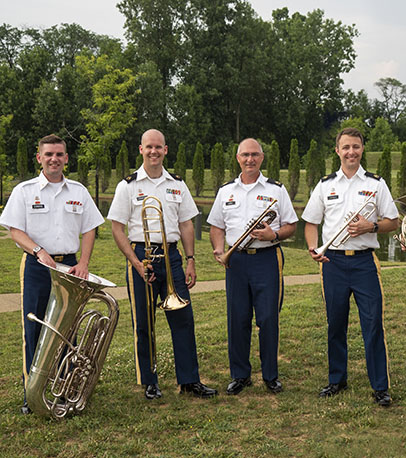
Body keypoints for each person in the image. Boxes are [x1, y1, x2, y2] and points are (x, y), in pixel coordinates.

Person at [107, 129, 217, 400]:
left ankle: (189, 380)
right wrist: (134, 262)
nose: (154, 151)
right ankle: (149, 381)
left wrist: (191, 260)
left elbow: (186, 223)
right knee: (144, 324)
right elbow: (117, 228)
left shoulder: (177, 184)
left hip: (172, 257)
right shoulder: (128, 185)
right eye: (149, 147)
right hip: (141, 256)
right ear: (141, 149)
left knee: (183, 320)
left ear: (166, 150)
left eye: (158, 147)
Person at [0, 134, 104, 414]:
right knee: (34, 328)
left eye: (59, 154)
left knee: (67, 330)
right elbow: (14, 231)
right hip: (36, 266)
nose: (54, 159)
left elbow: (91, 228)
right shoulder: (24, 190)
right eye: (49, 154)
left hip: (70, 266)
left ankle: (62, 388)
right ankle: (31, 392)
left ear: (66, 158)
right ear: (39, 158)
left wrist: (83, 262)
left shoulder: (79, 191)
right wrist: (38, 251)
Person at [302, 127, 398, 406]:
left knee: (372, 324)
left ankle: (380, 386)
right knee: (336, 324)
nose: (351, 152)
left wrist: (372, 226)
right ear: (337, 151)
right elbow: (311, 222)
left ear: (362, 149)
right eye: (346, 147)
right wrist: (312, 247)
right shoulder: (325, 185)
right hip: (333, 262)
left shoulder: (377, 184)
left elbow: (393, 221)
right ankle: (337, 380)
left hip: (365, 262)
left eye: (356, 147)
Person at [208, 138, 298, 395]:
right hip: (236, 261)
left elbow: (291, 225)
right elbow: (216, 226)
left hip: (267, 259)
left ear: (261, 158)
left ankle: (270, 375)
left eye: (255, 155)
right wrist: (218, 248)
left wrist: (275, 235)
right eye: (245, 155)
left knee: (268, 318)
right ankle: (240, 375)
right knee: (237, 318)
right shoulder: (226, 191)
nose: (250, 159)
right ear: (238, 158)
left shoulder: (276, 190)